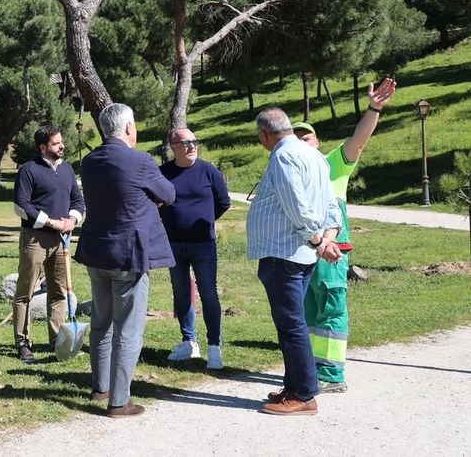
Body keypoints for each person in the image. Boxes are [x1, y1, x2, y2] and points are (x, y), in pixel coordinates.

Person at [292, 77, 397, 393]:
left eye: (306, 137)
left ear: (317, 142)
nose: (301, 141)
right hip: (302, 253)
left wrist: (374, 108)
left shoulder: (332, 165)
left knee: (331, 308)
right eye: (295, 138)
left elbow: (358, 140)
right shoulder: (291, 173)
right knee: (308, 312)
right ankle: (311, 370)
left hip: (332, 253)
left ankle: (333, 375)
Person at [74, 103, 175, 418]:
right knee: (129, 329)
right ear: (129, 128)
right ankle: (119, 401)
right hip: (128, 255)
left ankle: (100, 387)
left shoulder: (89, 162)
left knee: (101, 323)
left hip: (97, 252)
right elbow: (168, 194)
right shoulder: (140, 160)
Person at [247, 108, 338, 416]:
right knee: (292, 322)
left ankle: (304, 394)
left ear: (264, 135)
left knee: (291, 324)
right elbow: (329, 201)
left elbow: (296, 207)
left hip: (285, 252)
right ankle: (295, 383)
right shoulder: (314, 155)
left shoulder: (284, 157)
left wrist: (317, 239)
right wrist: (326, 238)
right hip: (300, 253)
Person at [11, 125, 86, 363]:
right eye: (56, 143)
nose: (62, 146)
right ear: (43, 147)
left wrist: (73, 219)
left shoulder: (67, 170)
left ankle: (58, 341)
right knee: (25, 293)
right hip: (35, 239)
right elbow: (21, 206)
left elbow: (78, 200)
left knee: (59, 292)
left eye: (61, 142)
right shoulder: (28, 170)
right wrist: (51, 222)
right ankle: (23, 343)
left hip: (62, 240)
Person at [159, 128, 231, 369]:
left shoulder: (209, 171)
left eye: (194, 142)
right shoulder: (163, 173)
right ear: (173, 146)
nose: (191, 146)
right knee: (180, 292)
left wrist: (205, 221)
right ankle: (189, 342)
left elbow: (224, 203)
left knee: (208, 292)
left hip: (203, 245)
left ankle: (214, 347)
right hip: (173, 245)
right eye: (186, 142)